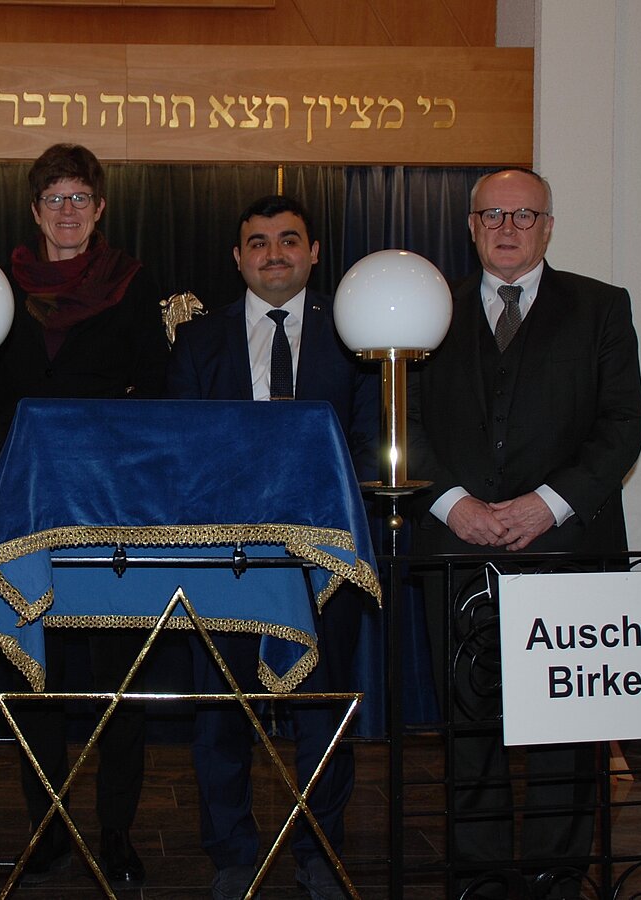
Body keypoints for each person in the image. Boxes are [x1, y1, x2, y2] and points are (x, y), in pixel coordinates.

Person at [408, 168, 641, 898]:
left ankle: (556, 878)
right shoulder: (425, 310)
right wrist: (453, 504)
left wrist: (549, 504)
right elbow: (396, 427)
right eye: (492, 215)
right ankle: (479, 880)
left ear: (548, 226)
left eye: (523, 215)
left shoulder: (602, 307)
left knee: (566, 735)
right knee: (469, 731)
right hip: (458, 549)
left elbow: (622, 425)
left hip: (570, 548)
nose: (507, 228)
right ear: (470, 226)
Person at [166, 194, 378, 900]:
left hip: (324, 559)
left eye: (289, 240)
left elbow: (369, 441)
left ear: (314, 252)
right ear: (238, 258)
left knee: (323, 709)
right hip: (225, 558)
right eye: (258, 242)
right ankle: (232, 854)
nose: (274, 253)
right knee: (220, 714)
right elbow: (182, 451)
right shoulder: (199, 341)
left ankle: (320, 849)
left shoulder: (353, 336)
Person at [0, 143, 170, 888]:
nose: (66, 211)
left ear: (99, 210)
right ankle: (49, 826)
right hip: (26, 504)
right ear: (35, 212)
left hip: (111, 509)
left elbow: (157, 393)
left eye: (79, 198)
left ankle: (116, 831)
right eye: (53, 198)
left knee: (117, 681)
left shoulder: (133, 282)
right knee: (35, 674)